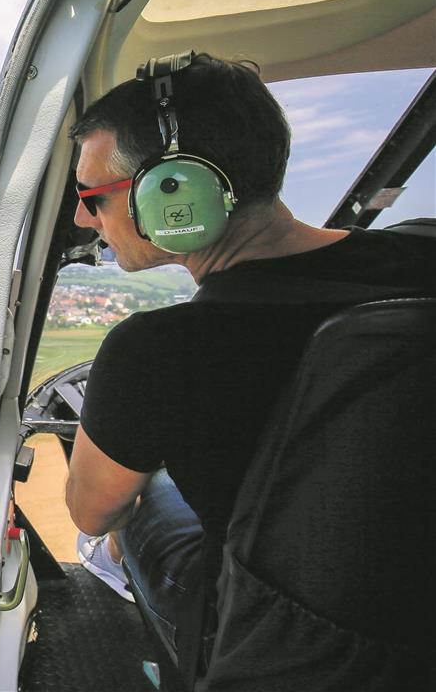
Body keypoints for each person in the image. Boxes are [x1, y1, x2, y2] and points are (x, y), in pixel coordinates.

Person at [61, 52, 436, 671]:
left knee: (130, 507)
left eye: (93, 197)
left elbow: (91, 507)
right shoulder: (425, 252)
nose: (82, 217)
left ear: (175, 192)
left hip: (289, 646)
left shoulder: (159, 350)